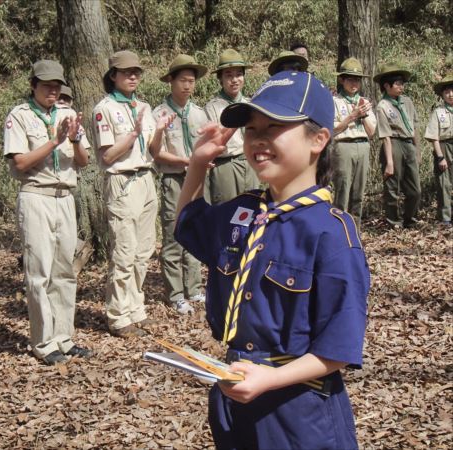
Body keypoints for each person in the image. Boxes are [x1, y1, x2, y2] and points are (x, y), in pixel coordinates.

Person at [175, 71, 370, 449]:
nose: (258, 140)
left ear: (318, 140)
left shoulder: (331, 234)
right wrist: (198, 164)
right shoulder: (242, 211)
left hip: (299, 409)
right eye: (252, 129)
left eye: (274, 126)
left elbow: (337, 349)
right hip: (236, 397)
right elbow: (189, 224)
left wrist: (269, 379)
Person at [3, 60, 92, 364]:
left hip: (65, 196)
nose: (53, 91)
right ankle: (43, 342)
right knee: (39, 272)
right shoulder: (19, 116)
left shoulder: (68, 114)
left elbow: (83, 161)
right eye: (47, 85)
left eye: (57, 86)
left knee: (65, 270)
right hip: (36, 196)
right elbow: (20, 164)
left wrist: (76, 138)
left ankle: (64, 338)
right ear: (33, 85)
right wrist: (55, 141)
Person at [92, 50, 171, 338]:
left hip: (145, 179)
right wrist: (132, 135)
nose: (133, 76)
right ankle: (118, 315)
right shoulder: (104, 109)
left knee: (143, 250)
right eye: (127, 72)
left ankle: (136, 308)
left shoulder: (145, 106)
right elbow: (108, 155)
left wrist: (159, 130)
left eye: (136, 71)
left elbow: (154, 150)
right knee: (124, 252)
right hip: (121, 182)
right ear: (113, 76)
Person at [152, 54, 208, 315]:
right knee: (174, 233)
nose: (187, 85)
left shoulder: (199, 113)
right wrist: (187, 160)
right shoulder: (159, 114)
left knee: (196, 230)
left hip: (196, 179)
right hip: (174, 179)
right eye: (182, 80)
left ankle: (194, 288)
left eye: (191, 81)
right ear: (171, 82)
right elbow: (157, 152)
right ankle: (175, 293)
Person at [204, 49, 259, 205]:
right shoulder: (213, 107)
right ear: (220, 79)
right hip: (226, 165)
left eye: (239, 74)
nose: (234, 80)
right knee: (227, 212)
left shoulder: (251, 103)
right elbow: (215, 142)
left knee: (253, 209)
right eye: (229, 75)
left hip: (250, 163)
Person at [374, 63, 421, 228]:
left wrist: (417, 150)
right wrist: (390, 162)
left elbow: (414, 127)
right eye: (397, 84)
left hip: (409, 143)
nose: (401, 87)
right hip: (393, 144)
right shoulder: (382, 106)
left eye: (402, 83)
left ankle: (411, 219)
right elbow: (385, 135)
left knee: (415, 189)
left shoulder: (407, 102)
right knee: (392, 186)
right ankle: (394, 221)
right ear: (387, 86)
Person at [332, 57, 377, 226]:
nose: (354, 83)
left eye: (357, 79)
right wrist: (352, 117)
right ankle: (339, 230)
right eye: (350, 78)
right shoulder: (335, 101)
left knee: (359, 191)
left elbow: (372, 132)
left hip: (363, 145)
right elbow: (332, 129)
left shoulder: (364, 102)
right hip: (343, 146)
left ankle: (355, 229)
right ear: (341, 79)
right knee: (342, 189)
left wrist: (363, 115)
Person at [425, 74, 453, 226]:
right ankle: (445, 217)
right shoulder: (438, 112)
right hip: (444, 147)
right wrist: (440, 156)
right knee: (444, 183)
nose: (451, 95)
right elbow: (433, 136)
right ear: (442, 94)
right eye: (447, 92)